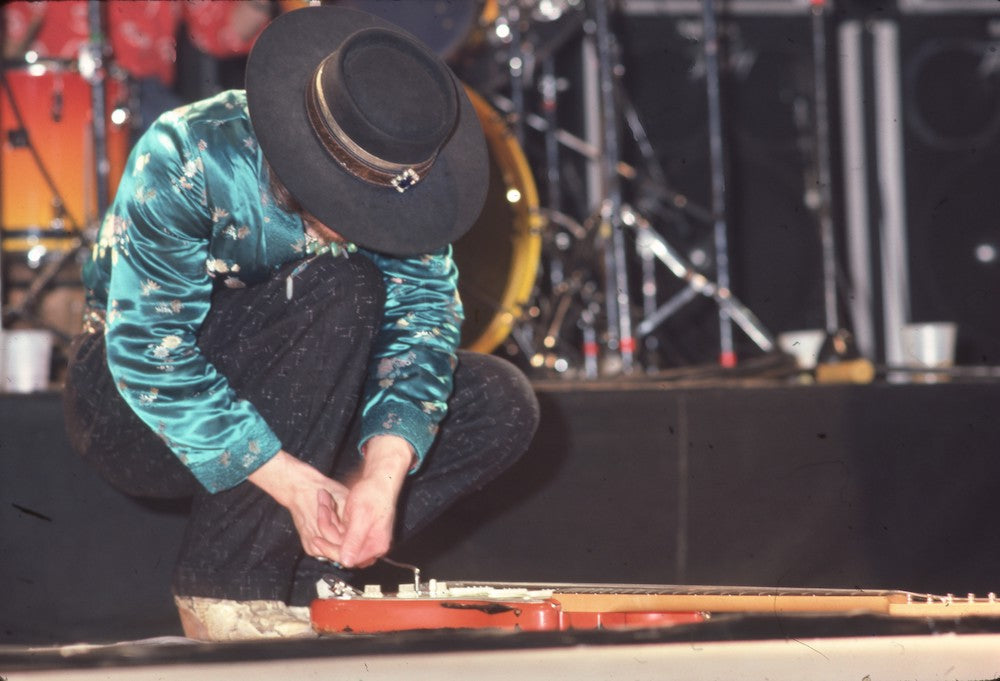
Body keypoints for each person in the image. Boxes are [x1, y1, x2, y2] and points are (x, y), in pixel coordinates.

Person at [62, 6, 540, 641]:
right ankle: (227, 588)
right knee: (340, 284)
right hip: (133, 406)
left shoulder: (406, 184)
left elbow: (423, 326)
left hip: (314, 388)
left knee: (499, 401)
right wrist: (284, 477)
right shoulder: (192, 148)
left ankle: (311, 572)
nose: (370, 225)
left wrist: (380, 476)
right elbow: (149, 347)